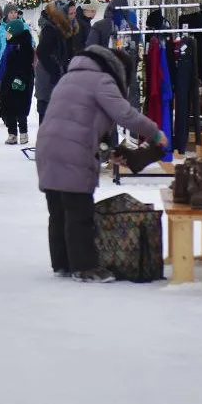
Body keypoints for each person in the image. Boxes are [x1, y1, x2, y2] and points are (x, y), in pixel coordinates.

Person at [36, 46, 165, 283]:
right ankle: (84, 267)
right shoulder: (102, 80)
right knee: (79, 210)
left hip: (47, 148)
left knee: (58, 210)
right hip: (71, 152)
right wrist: (155, 133)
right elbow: (125, 115)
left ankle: (62, 264)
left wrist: (105, 152)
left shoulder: (68, 77)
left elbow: (79, 121)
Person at [0, 15, 36, 145]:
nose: (6, 35)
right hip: (8, 80)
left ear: (14, 32)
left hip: (20, 82)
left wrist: (20, 78)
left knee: (20, 108)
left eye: (8, 32)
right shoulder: (10, 45)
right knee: (9, 108)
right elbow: (4, 62)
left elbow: (26, 65)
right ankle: (12, 134)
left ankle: (23, 133)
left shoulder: (24, 46)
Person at [35, 3, 75, 123]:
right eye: (70, 13)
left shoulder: (58, 28)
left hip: (52, 73)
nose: (73, 16)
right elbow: (41, 52)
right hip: (48, 75)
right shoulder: (50, 29)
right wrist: (55, 72)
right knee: (48, 110)